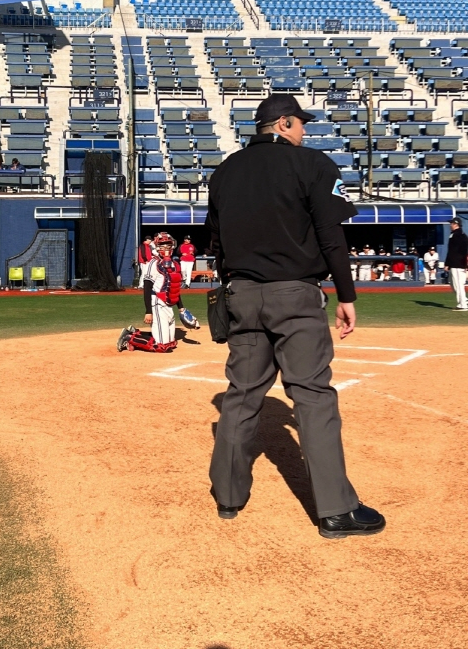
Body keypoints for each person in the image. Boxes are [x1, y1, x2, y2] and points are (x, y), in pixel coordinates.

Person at [206, 94, 385, 539]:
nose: (305, 130)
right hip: (295, 294)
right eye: (300, 123)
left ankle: (228, 496)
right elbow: (330, 233)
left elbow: (215, 241)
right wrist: (346, 294)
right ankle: (337, 511)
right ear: (283, 123)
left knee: (242, 394)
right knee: (312, 395)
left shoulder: (225, 170)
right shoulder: (312, 164)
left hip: (241, 292)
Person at [117, 231, 199, 353]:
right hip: (158, 303)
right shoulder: (153, 263)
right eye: (162, 245)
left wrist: (181, 308)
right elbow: (147, 288)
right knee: (161, 346)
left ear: (172, 246)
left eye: (168, 245)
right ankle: (129, 337)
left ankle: (134, 332)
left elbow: (174, 287)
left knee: (171, 343)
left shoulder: (174, 264)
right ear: (157, 247)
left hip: (169, 304)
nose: (165, 248)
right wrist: (148, 311)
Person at [446, 218, 468, 311]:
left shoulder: (460, 235)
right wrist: (448, 263)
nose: (450, 225)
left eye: (451, 223)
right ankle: (463, 301)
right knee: (453, 283)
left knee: (459, 284)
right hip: (454, 263)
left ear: (456, 224)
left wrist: (465, 264)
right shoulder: (453, 235)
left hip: (459, 264)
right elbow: (451, 251)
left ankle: (463, 304)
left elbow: (464, 251)